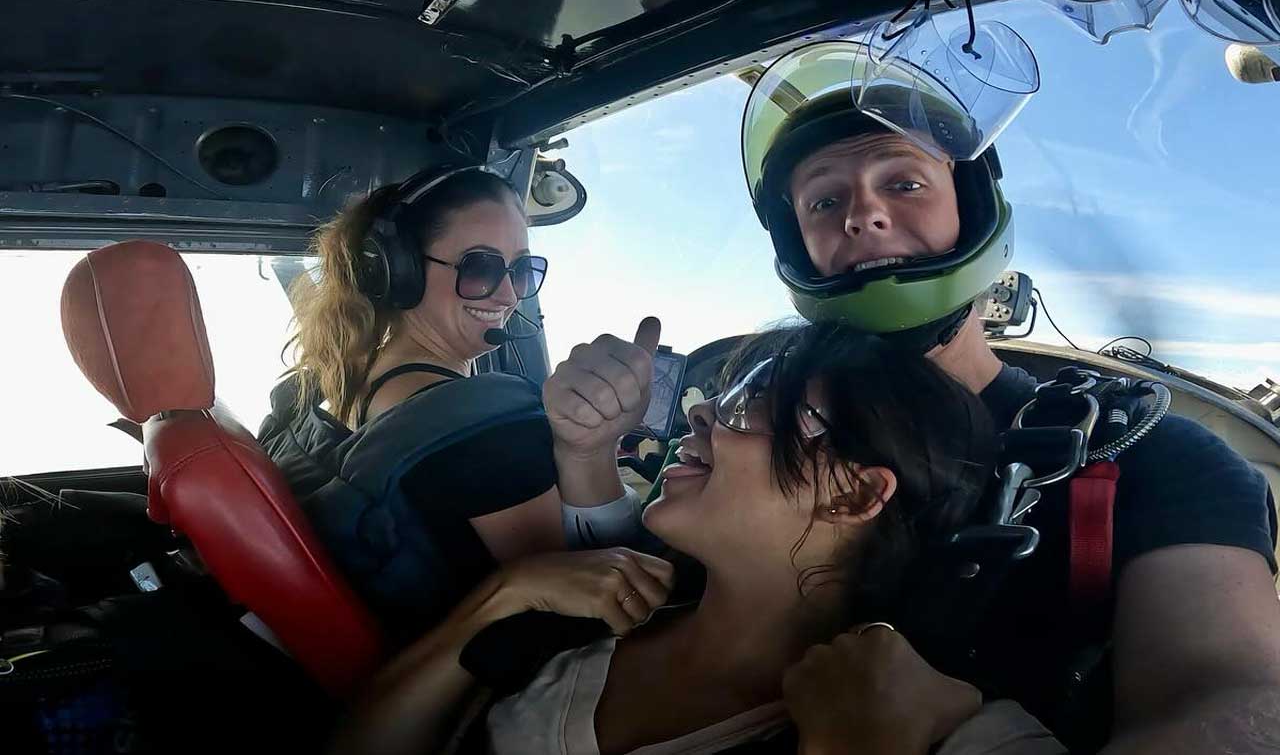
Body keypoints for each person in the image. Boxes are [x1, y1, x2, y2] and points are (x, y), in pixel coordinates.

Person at [732, 40, 1280, 752]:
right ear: (797, 244)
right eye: (825, 200)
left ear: (974, 207)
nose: (861, 215)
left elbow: (1230, 703)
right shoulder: (768, 440)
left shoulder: (1151, 456)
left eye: (904, 184)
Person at [330, 323, 1067, 755]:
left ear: (854, 491)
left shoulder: (925, 724)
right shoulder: (597, 599)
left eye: (753, 404)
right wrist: (497, 597)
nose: (705, 410)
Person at [258, 167, 565, 626]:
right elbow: (580, 605)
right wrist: (595, 449)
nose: (507, 295)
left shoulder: (324, 392)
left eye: (521, 269)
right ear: (397, 270)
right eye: (480, 266)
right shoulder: (479, 427)